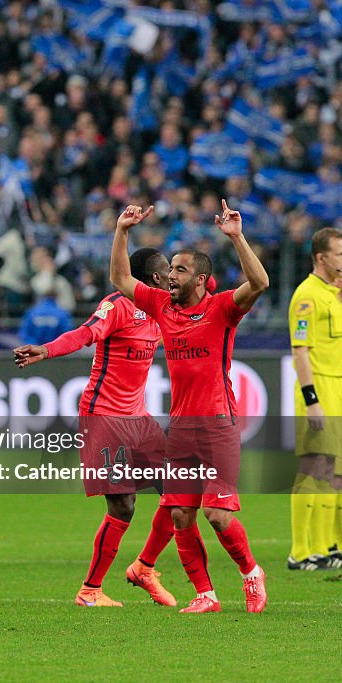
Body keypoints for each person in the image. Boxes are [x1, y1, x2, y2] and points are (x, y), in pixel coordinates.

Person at [110, 200, 269, 614]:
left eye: (178, 271)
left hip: (217, 424)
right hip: (180, 427)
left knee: (217, 515)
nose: (169, 277)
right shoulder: (163, 306)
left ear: (201, 278)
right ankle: (206, 595)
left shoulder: (222, 309)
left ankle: (251, 573)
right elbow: (120, 278)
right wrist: (122, 230)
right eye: (169, 270)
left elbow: (260, 282)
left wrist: (236, 238)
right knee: (181, 513)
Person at [14, 241, 177, 608]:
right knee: (123, 507)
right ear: (154, 276)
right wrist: (46, 349)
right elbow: (84, 334)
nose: (172, 276)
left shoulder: (163, 308)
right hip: (104, 416)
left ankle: (145, 568)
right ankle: (90, 590)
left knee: (180, 490)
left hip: (138, 417)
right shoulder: (117, 305)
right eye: (168, 270)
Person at [287, 227, 342, 570]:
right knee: (314, 468)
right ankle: (300, 551)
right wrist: (312, 400)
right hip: (318, 388)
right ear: (322, 257)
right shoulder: (306, 296)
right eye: (339, 254)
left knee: (334, 472)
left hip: (337, 386)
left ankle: (327, 546)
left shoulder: (332, 294)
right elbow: (300, 350)